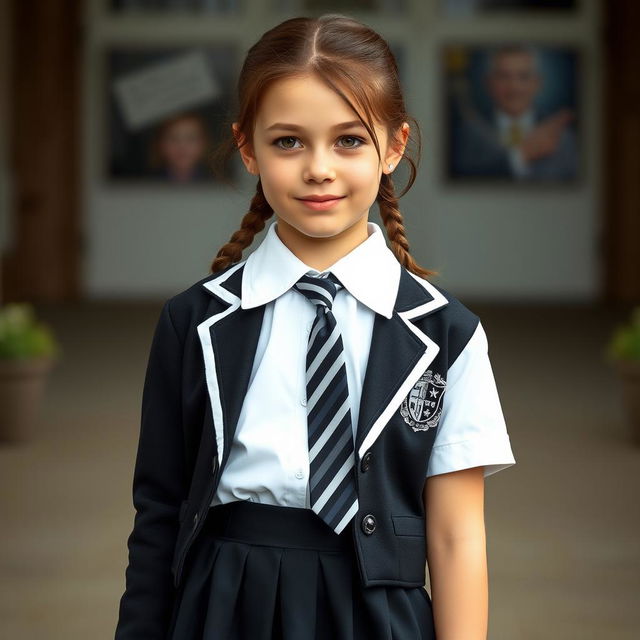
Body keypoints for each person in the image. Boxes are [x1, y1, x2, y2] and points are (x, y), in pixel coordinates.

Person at [114, 13, 516, 640]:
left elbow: (457, 534)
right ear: (248, 147)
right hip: (222, 606)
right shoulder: (194, 321)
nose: (319, 168)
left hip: (376, 612)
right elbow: (159, 513)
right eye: (288, 142)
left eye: (350, 140)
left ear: (395, 145)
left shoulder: (445, 333)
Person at [450, 44, 577, 180]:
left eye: (523, 77)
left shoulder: (562, 137)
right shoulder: (470, 133)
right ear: (489, 83)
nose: (514, 87)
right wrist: (522, 155)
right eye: (504, 76)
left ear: (537, 83)